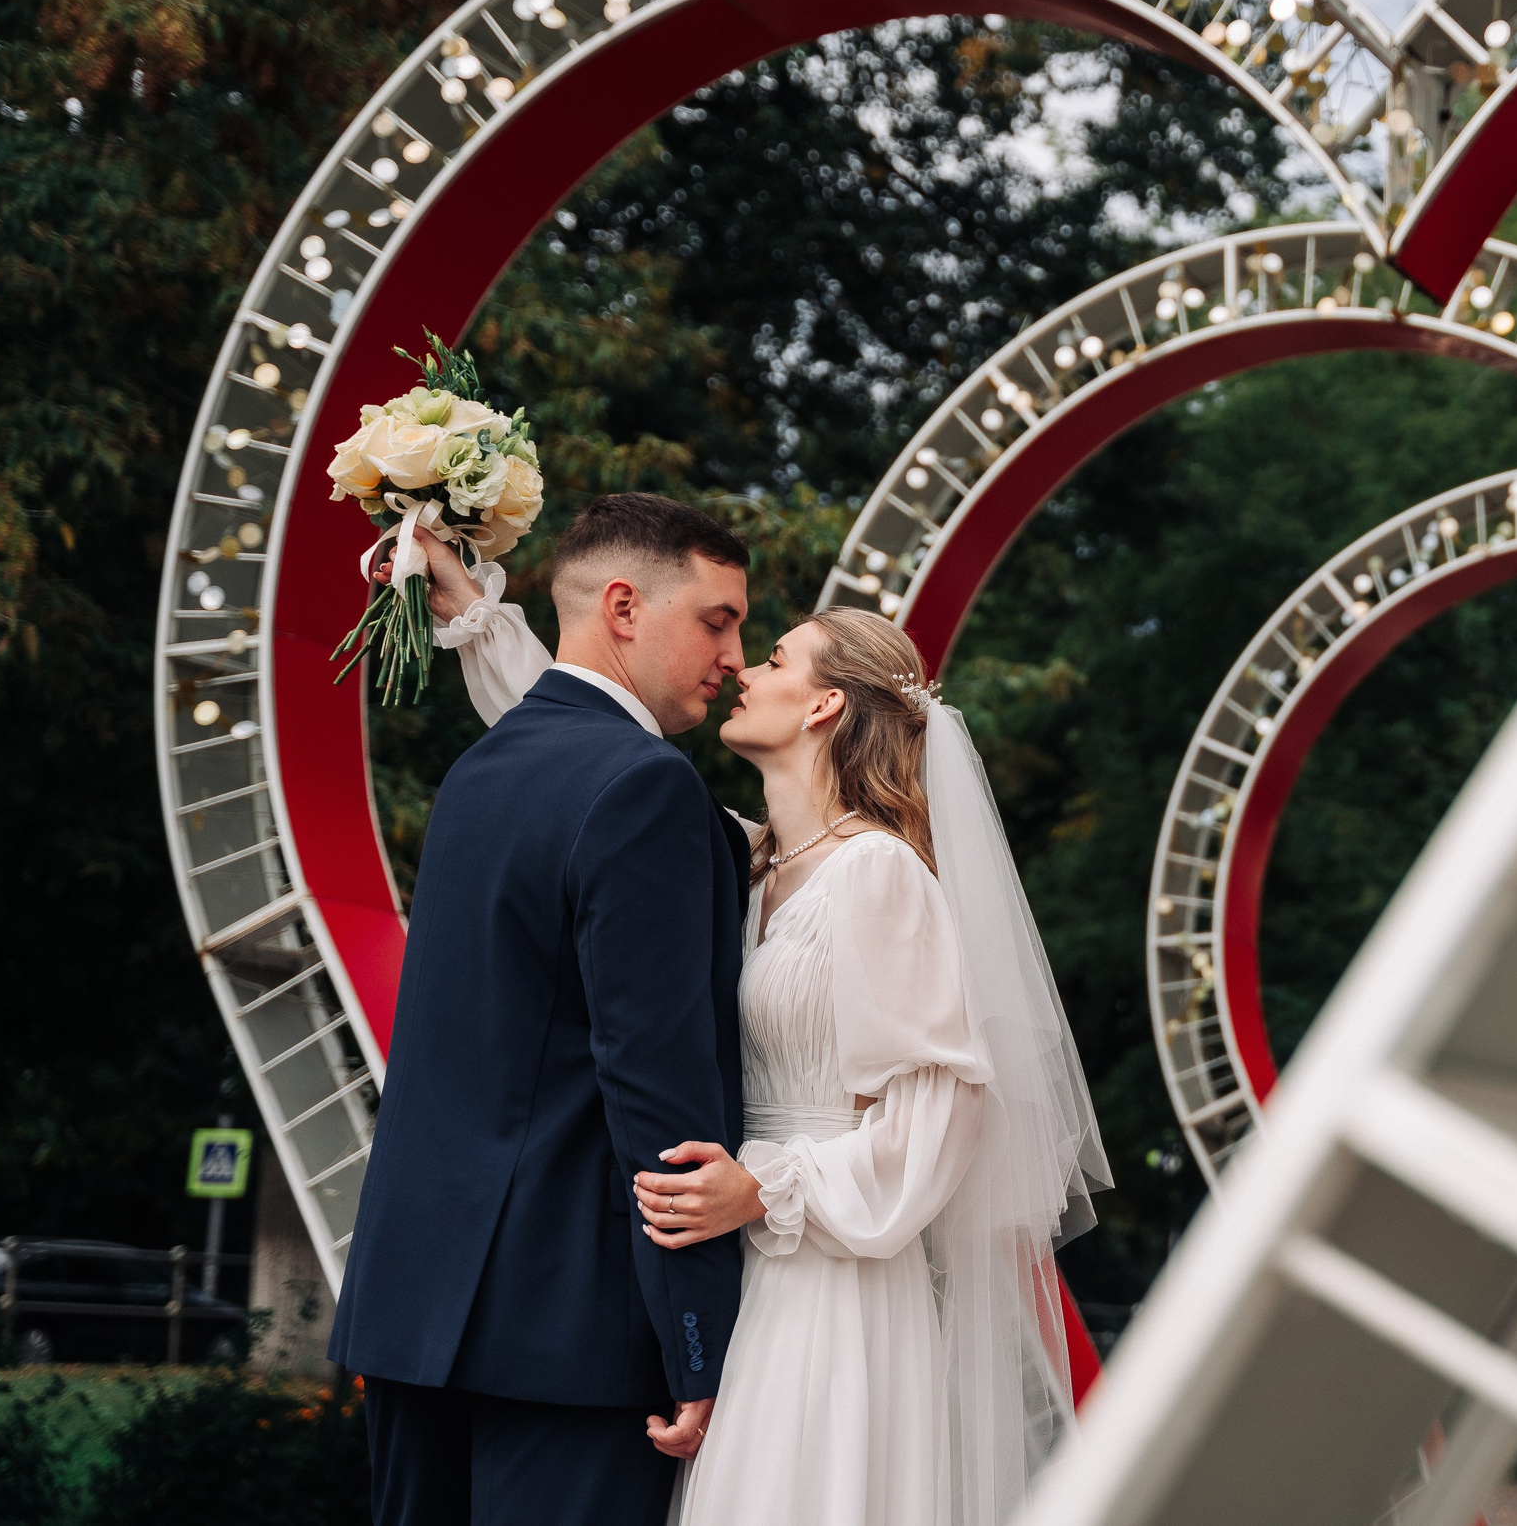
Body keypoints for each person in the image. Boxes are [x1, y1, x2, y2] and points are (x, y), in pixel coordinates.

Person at [398, 522, 1109, 1526]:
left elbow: (940, 1117)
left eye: (772, 656)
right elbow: (583, 740)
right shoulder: (747, 859)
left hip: (832, 1285)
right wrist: (471, 614)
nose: (740, 666)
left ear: (822, 703)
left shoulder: (881, 877)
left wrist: (764, 1186)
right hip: (742, 1273)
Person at [330, 493, 755, 1526]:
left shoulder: (479, 773)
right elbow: (656, 1085)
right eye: (718, 619)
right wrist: (698, 1339)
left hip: (417, 1306)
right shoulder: (646, 787)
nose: (736, 656)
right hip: (569, 1328)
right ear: (623, 607)